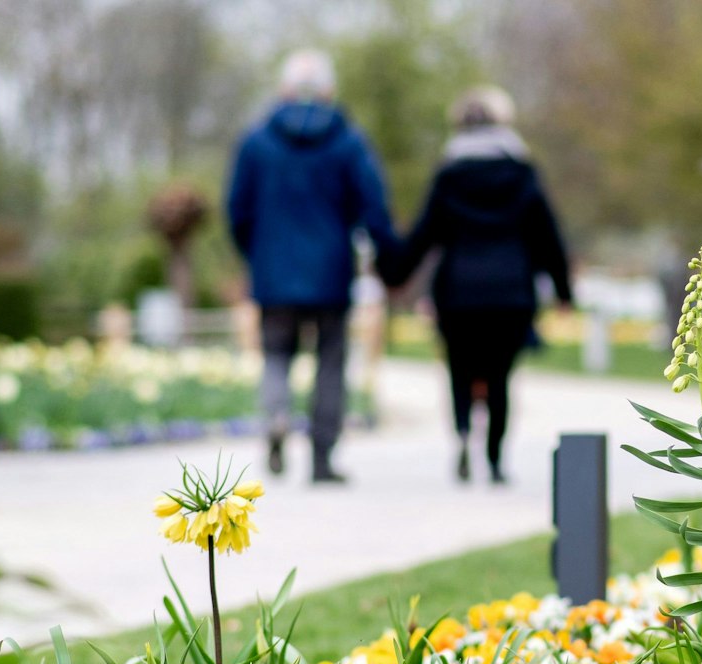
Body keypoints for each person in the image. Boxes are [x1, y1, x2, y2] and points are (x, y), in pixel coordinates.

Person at [225, 49, 398, 484]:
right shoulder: (348, 141)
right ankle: (322, 457)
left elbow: (236, 210)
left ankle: (277, 419)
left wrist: (257, 254)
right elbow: (373, 207)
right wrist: (387, 256)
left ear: (284, 90)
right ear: (329, 91)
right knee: (330, 363)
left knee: (277, 356)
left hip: (273, 273)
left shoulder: (256, 142)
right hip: (331, 273)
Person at [384, 86, 571, 485]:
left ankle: (465, 438)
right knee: (501, 376)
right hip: (511, 293)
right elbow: (547, 234)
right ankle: (496, 459)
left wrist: (394, 273)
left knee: (459, 369)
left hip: (458, 295)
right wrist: (564, 291)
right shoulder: (522, 174)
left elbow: (424, 234)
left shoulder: (449, 176)